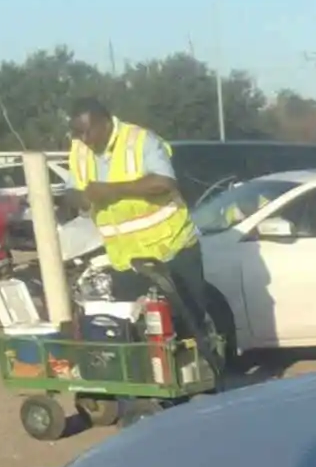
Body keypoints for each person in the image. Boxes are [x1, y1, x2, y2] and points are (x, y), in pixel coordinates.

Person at [63, 98, 220, 371]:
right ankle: (157, 392)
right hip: (127, 260)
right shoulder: (79, 150)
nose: (84, 139)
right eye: (78, 132)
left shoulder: (140, 140)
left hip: (173, 250)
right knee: (141, 330)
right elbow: (71, 189)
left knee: (186, 326)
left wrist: (112, 190)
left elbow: (164, 182)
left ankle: (205, 383)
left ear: (106, 122)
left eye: (88, 131)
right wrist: (80, 197)